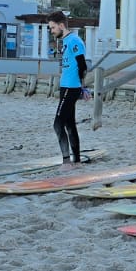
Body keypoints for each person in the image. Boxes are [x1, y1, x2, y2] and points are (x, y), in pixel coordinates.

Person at [48, 11, 88, 163]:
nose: (52, 31)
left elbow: (82, 65)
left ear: (61, 25)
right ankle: (76, 160)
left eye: (53, 28)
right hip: (65, 87)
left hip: (71, 87)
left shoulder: (74, 41)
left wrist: (82, 88)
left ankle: (66, 160)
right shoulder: (65, 41)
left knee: (57, 124)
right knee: (69, 123)